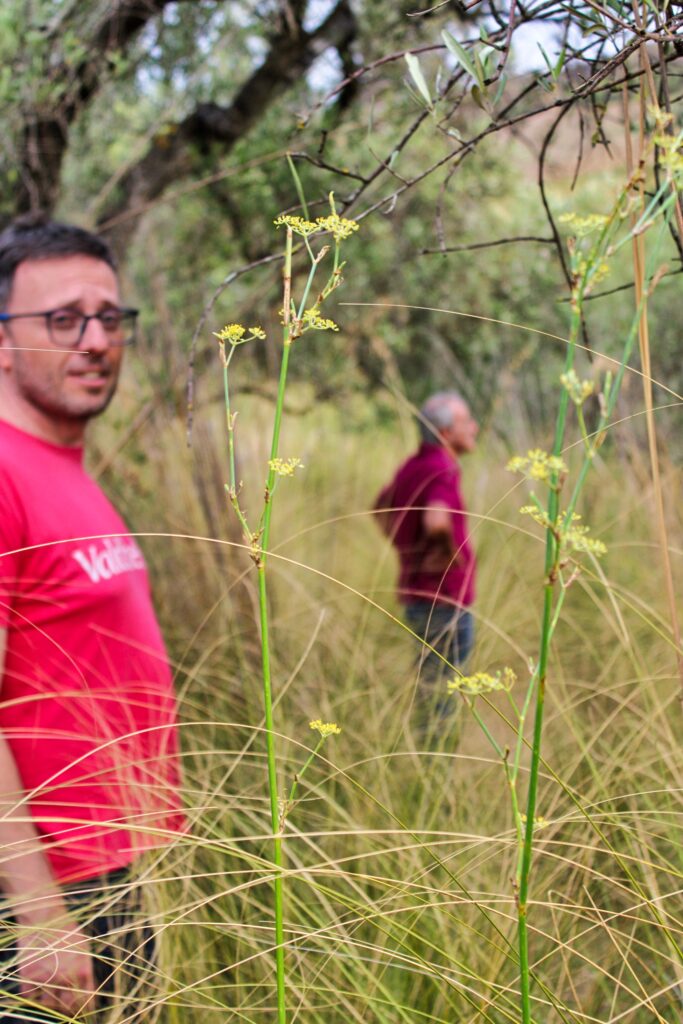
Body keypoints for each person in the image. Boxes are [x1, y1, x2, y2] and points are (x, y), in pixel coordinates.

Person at [0, 216, 184, 1020]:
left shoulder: (63, 465)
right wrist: (39, 914)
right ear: (3, 341)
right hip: (38, 894)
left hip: (103, 874)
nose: (96, 340)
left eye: (110, 318)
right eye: (63, 319)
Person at [374, 391, 478, 735]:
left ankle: (425, 758)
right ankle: (436, 764)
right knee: (444, 694)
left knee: (429, 685)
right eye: (466, 422)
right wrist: (452, 555)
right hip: (444, 599)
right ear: (446, 432)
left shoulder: (413, 465)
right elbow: (436, 521)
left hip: (417, 599)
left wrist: (406, 547)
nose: (474, 427)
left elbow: (380, 507)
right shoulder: (442, 467)